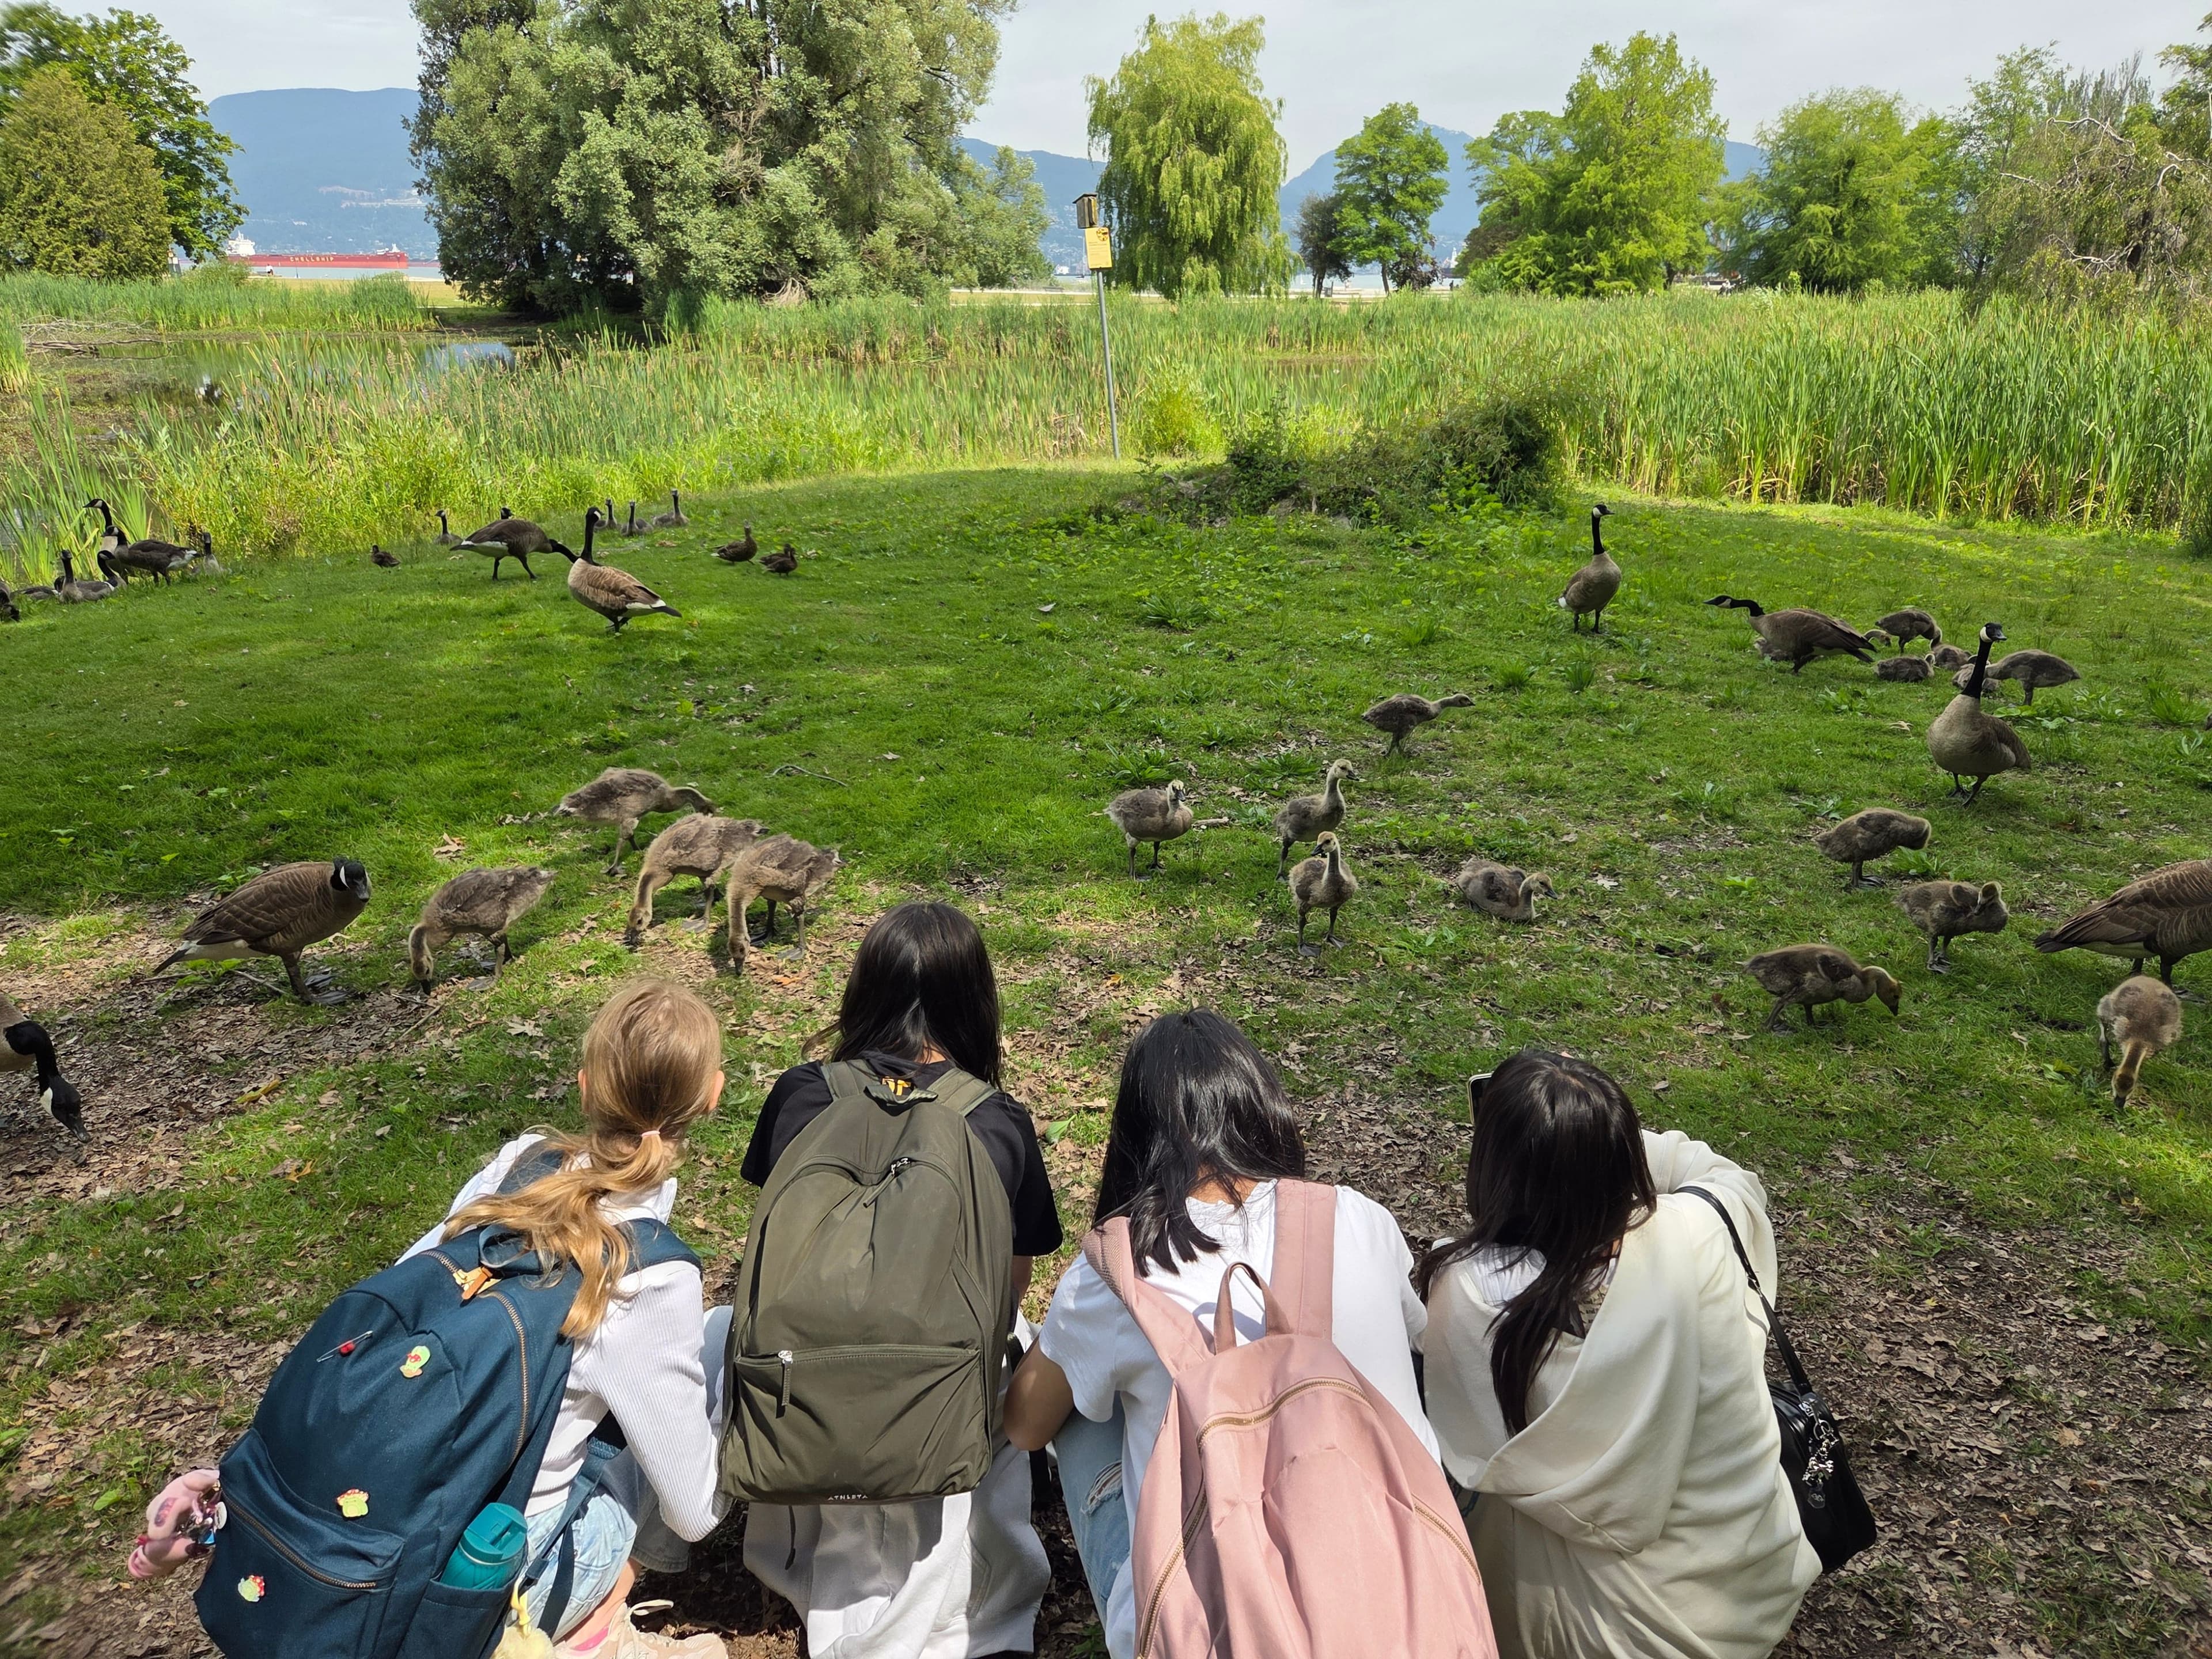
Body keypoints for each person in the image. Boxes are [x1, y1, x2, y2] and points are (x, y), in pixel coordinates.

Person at [1003, 1009, 1438, 1659]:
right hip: (1405, 1605)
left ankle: (1147, 1617)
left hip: (1223, 1630)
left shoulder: (1122, 1267)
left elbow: (1025, 1425)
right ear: (1264, 1109)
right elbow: (1417, 1343)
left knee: (1077, 1403)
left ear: (1135, 1137)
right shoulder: (1359, 1217)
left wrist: (1060, 1336)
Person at [1416, 1049, 1818, 1659]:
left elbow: (1464, 1437)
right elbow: (1718, 1171)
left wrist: (1549, 1130)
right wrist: (1590, 1127)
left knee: (1490, 1493)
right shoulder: (1703, 1224)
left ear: (1495, 1169)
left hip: (1612, 1633)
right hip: (1754, 1584)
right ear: (1625, 1160)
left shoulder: (1473, 1290)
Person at [738, 900, 1060, 1657]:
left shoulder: (802, 1092)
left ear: (864, 990)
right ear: (975, 1001)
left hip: (797, 1382)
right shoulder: (997, 1119)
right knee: (1025, 1342)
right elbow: (1011, 1284)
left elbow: (770, 1241)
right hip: (937, 1401)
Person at [402, 978, 732, 1658]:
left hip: (390, 1516)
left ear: (585, 1089)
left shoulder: (519, 1164)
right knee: (719, 1342)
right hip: (485, 1574)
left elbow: (412, 1280)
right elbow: (694, 1513)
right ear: (712, 1097)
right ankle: (598, 1626)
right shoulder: (651, 1273)